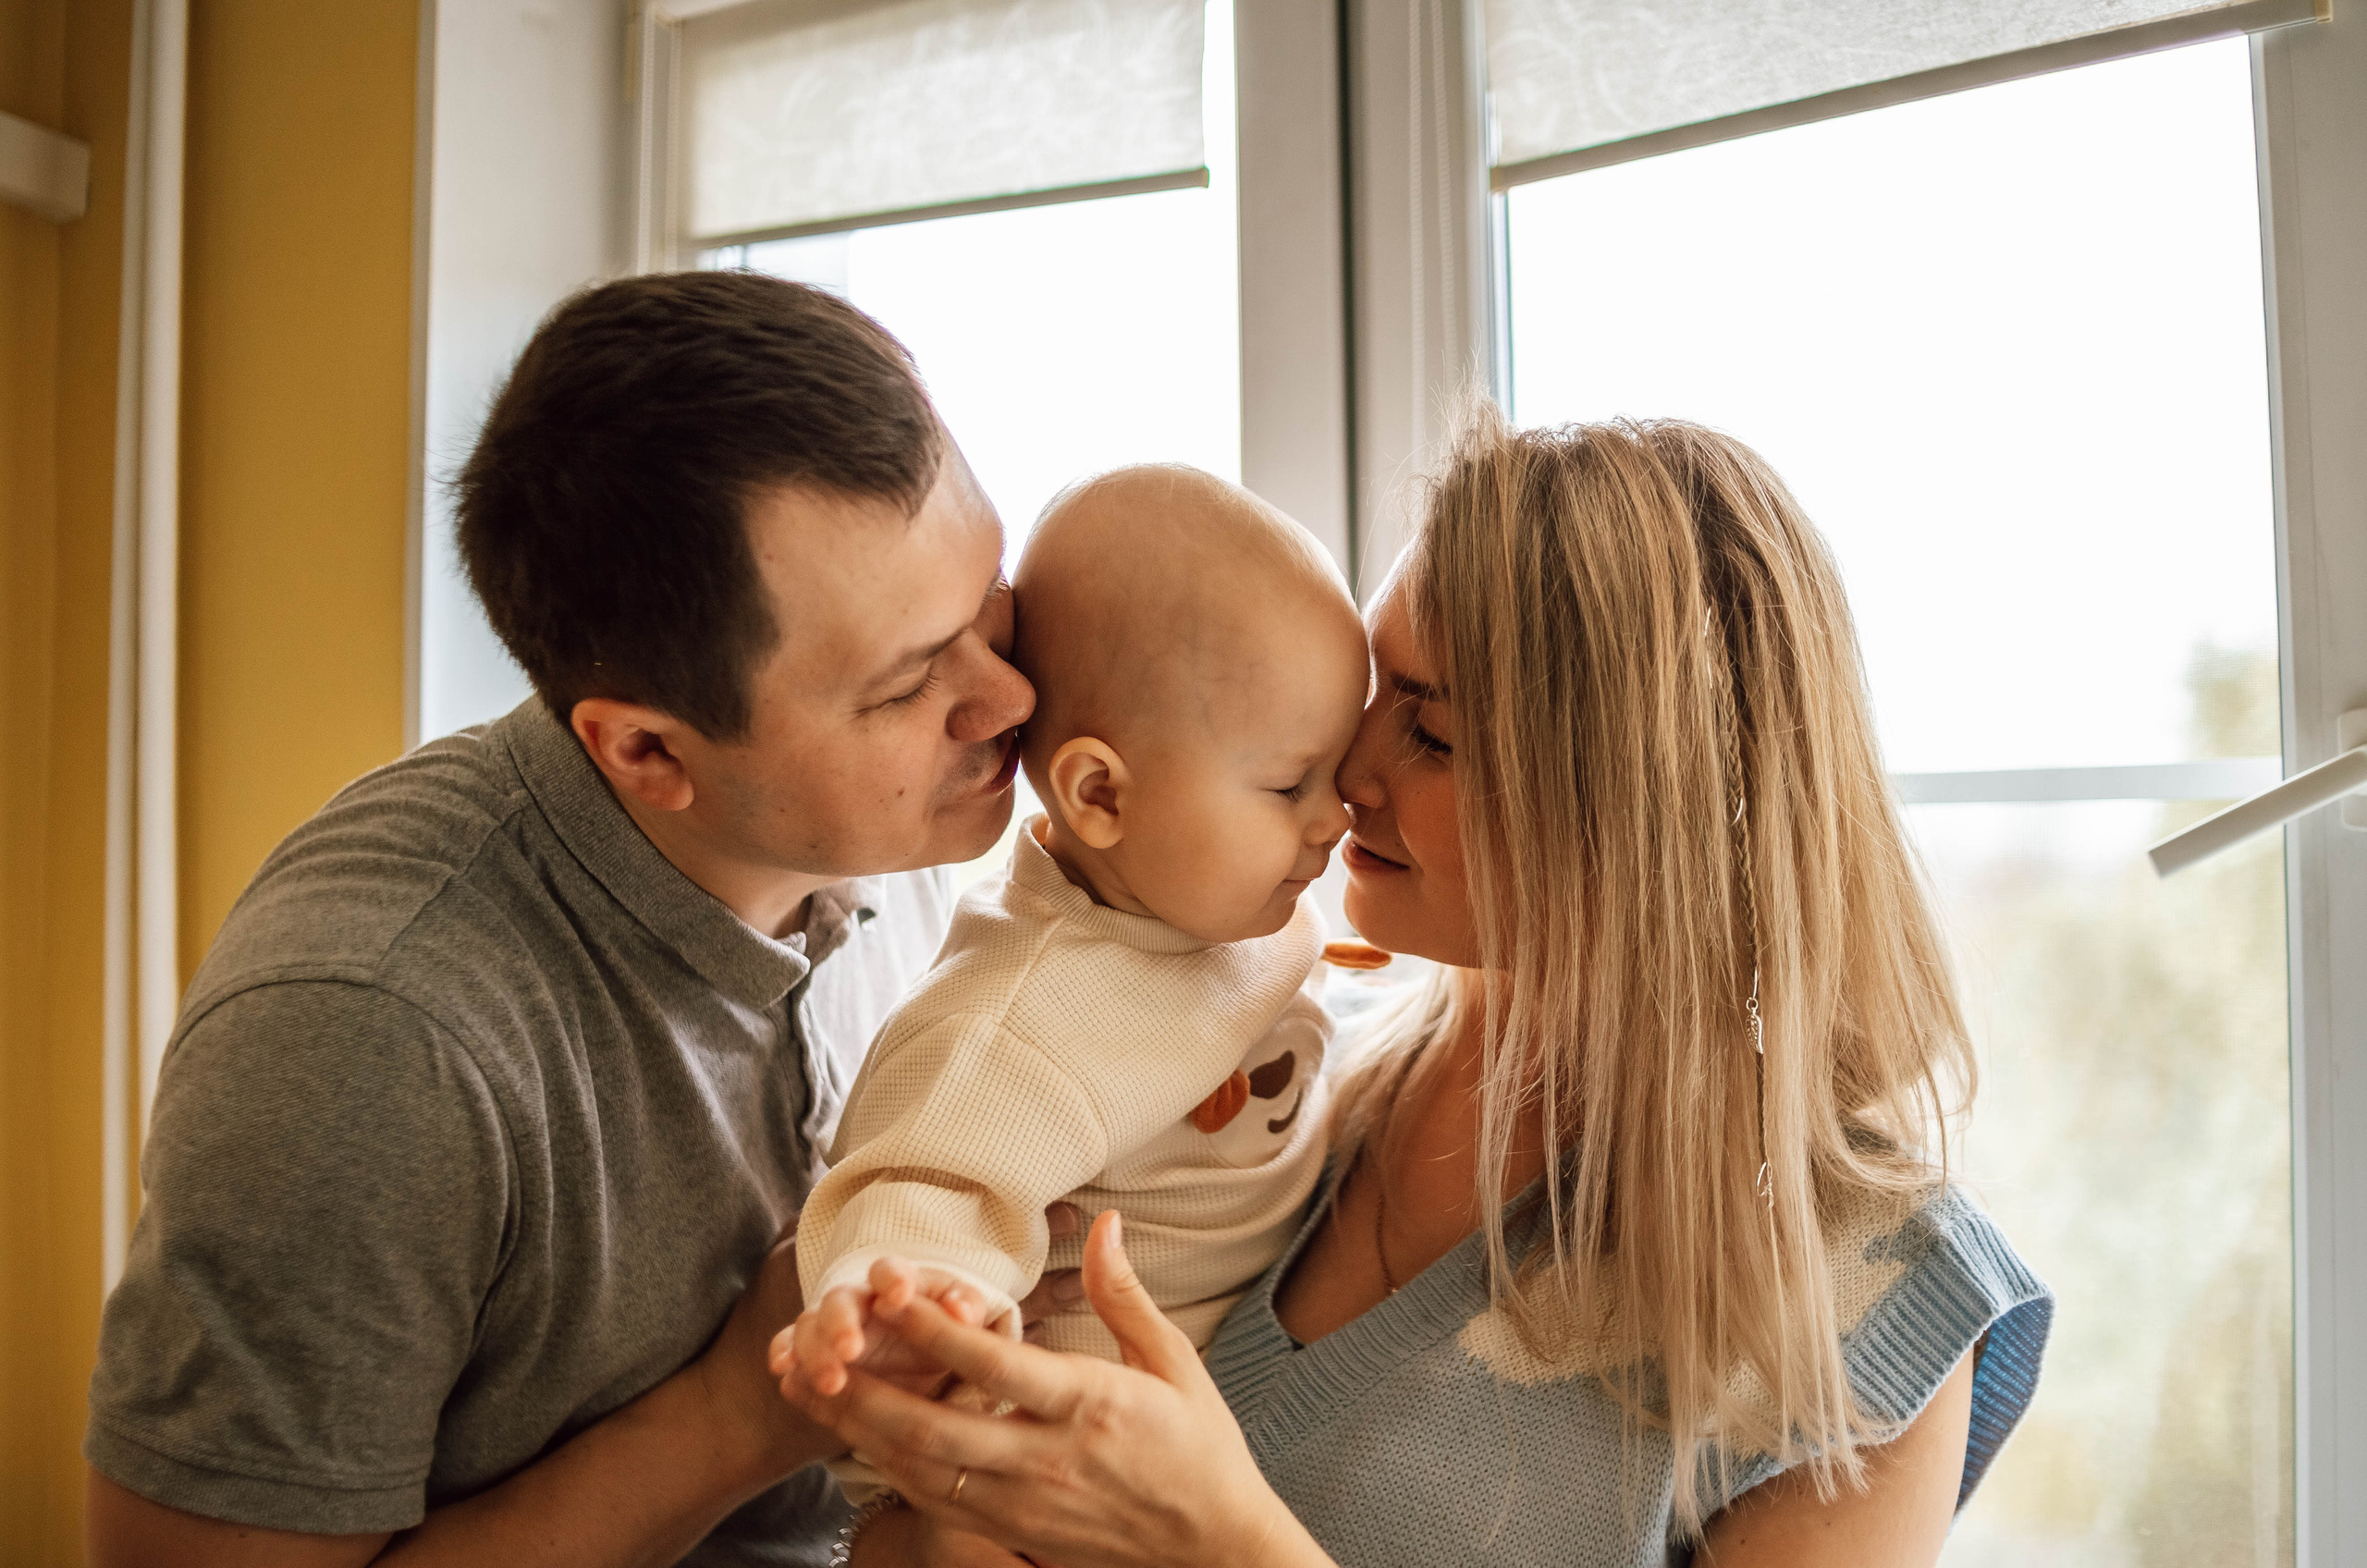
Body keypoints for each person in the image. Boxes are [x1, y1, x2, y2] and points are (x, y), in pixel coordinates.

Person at [779, 410, 2055, 1567]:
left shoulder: (1868, 1307)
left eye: (1431, 734)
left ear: (1632, 808)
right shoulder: (1283, 1083)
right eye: (1371, 695)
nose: (1348, 778)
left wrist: (1226, 1547)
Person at [81, 271, 1041, 1567]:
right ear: (648, 751)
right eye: (908, 686)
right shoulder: (374, 1036)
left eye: (985, 595)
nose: (1009, 694)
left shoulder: (909, 821)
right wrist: (737, 1415)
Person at [788, 466, 1367, 1451]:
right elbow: (921, 1188)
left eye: (1338, 768)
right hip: (1062, 1458)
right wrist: (908, 1293)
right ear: (1099, 795)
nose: (1335, 818)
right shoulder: (1018, 1017)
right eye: (1290, 785)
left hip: (1233, 1397)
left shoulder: (1213, 901)